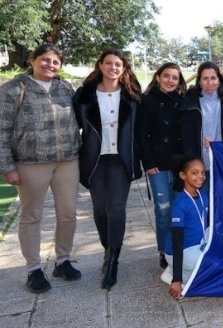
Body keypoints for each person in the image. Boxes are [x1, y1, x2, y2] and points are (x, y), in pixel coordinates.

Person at [0, 44, 81, 293]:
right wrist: (7, 166)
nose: (50, 65)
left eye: (55, 62)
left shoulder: (66, 87)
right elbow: (2, 129)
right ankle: (33, 269)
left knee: (67, 213)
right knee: (31, 215)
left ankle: (63, 260)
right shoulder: (15, 88)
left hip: (67, 160)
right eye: (45, 60)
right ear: (33, 60)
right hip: (31, 162)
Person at [73, 49, 143, 290]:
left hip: (121, 159)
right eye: (109, 63)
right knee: (99, 210)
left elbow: (141, 129)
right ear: (100, 65)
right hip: (94, 159)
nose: (113, 67)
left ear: (123, 69)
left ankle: (113, 260)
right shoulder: (85, 95)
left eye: (118, 64)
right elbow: (75, 125)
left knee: (116, 210)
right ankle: (108, 249)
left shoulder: (132, 95)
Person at [138, 62, 187, 269]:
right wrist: (148, 162)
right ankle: (163, 250)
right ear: (158, 77)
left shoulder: (182, 102)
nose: (170, 81)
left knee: (178, 208)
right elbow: (141, 134)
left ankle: (178, 248)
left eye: (175, 78)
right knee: (163, 209)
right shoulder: (147, 101)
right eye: (166, 76)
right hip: (157, 165)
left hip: (179, 165)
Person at [179, 61, 223, 195]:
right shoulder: (189, 104)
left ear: (219, 80)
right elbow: (186, 138)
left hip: (222, 164)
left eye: (213, 78)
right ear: (199, 81)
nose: (209, 82)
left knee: (222, 204)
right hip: (199, 166)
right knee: (203, 205)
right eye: (205, 78)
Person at [161, 154, 209, 300]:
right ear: (182, 175)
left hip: (198, 243)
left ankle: (182, 270)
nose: (200, 176)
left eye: (202, 172)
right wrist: (177, 280)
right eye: (195, 173)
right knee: (209, 269)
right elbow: (177, 242)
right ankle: (175, 274)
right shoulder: (180, 204)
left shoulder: (203, 195)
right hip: (181, 249)